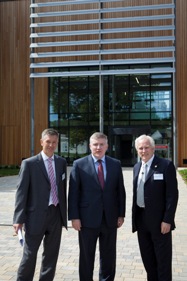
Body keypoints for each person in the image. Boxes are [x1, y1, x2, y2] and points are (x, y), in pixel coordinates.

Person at [68, 132, 126, 281]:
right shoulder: (79, 165)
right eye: (95, 144)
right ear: (90, 146)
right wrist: (74, 217)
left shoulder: (115, 164)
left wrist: (121, 214)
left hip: (110, 218)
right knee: (87, 257)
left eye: (101, 144)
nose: (98, 147)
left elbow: (120, 191)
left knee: (108, 256)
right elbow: (73, 193)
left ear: (107, 146)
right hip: (87, 220)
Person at [13, 128, 67, 281]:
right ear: (41, 142)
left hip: (55, 214)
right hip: (34, 216)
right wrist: (18, 219)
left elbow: (62, 189)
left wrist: (64, 215)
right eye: (48, 142)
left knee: (51, 255)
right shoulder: (29, 164)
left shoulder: (61, 162)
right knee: (29, 255)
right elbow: (21, 193)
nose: (51, 145)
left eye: (54, 142)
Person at [132, 134, 178, 281]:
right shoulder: (137, 167)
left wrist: (168, 220)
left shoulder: (165, 165)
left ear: (153, 148)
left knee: (163, 262)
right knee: (148, 261)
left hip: (160, 222)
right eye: (140, 148)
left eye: (146, 147)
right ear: (137, 150)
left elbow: (172, 195)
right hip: (141, 220)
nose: (143, 151)